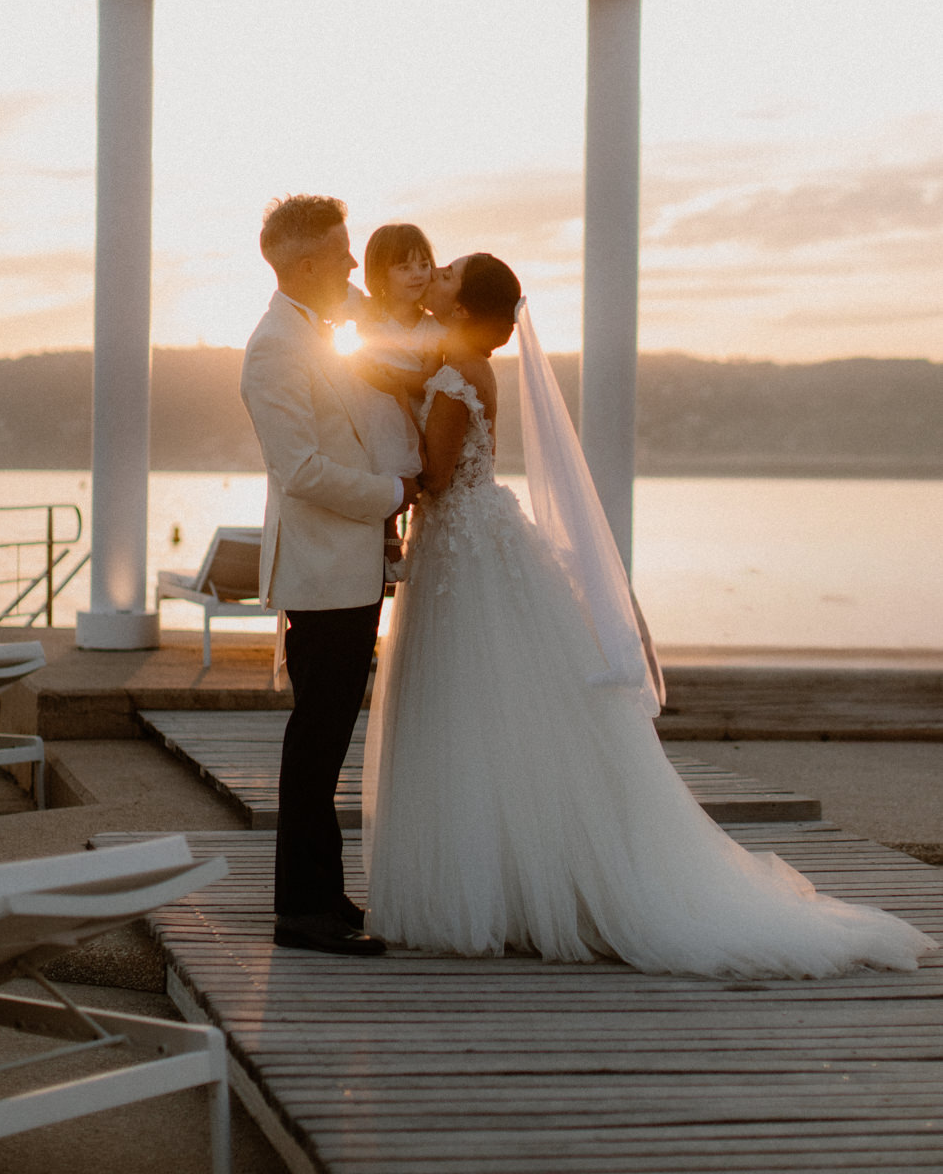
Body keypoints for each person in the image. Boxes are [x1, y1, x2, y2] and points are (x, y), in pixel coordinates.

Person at [362, 253, 936, 976]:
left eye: (445, 276)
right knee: (492, 710)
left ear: (466, 305)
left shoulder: (454, 375)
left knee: (466, 707)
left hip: (461, 553)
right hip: (473, 547)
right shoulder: (459, 367)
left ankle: (493, 886)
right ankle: (507, 879)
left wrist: (374, 462)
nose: (434, 278)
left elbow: (438, 477)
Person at [240, 195, 419, 957]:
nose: (355, 263)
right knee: (315, 742)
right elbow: (302, 469)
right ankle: (300, 913)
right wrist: (391, 494)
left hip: (345, 567)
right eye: (343, 252)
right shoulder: (273, 348)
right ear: (306, 264)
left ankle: (321, 891)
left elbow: (382, 306)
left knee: (327, 737)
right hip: (321, 572)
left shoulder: (321, 314)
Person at [355, 224, 444, 579]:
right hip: (376, 412)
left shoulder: (435, 328)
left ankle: (397, 536)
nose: (417, 274)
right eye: (404, 267)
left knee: (408, 468)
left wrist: (393, 377)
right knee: (381, 460)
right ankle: (386, 534)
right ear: (381, 273)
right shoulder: (370, 319)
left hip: (416, 414)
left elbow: (429, 379)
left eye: (423, 265)